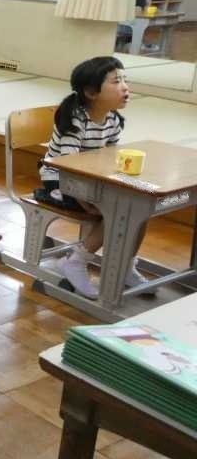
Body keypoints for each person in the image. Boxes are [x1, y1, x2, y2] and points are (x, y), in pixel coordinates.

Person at [39, 56, 148, 300]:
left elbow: (109, 157)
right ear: (91, 92)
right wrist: (82, 196)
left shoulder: (113, 120)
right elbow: (67, 165)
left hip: (90, 178)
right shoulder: (75, 120)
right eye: (116, 82)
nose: (125, 87)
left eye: (125, 80)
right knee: (115, 210)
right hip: (60, 179)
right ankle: (76, 261)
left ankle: (125, 266)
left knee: (139, 210)